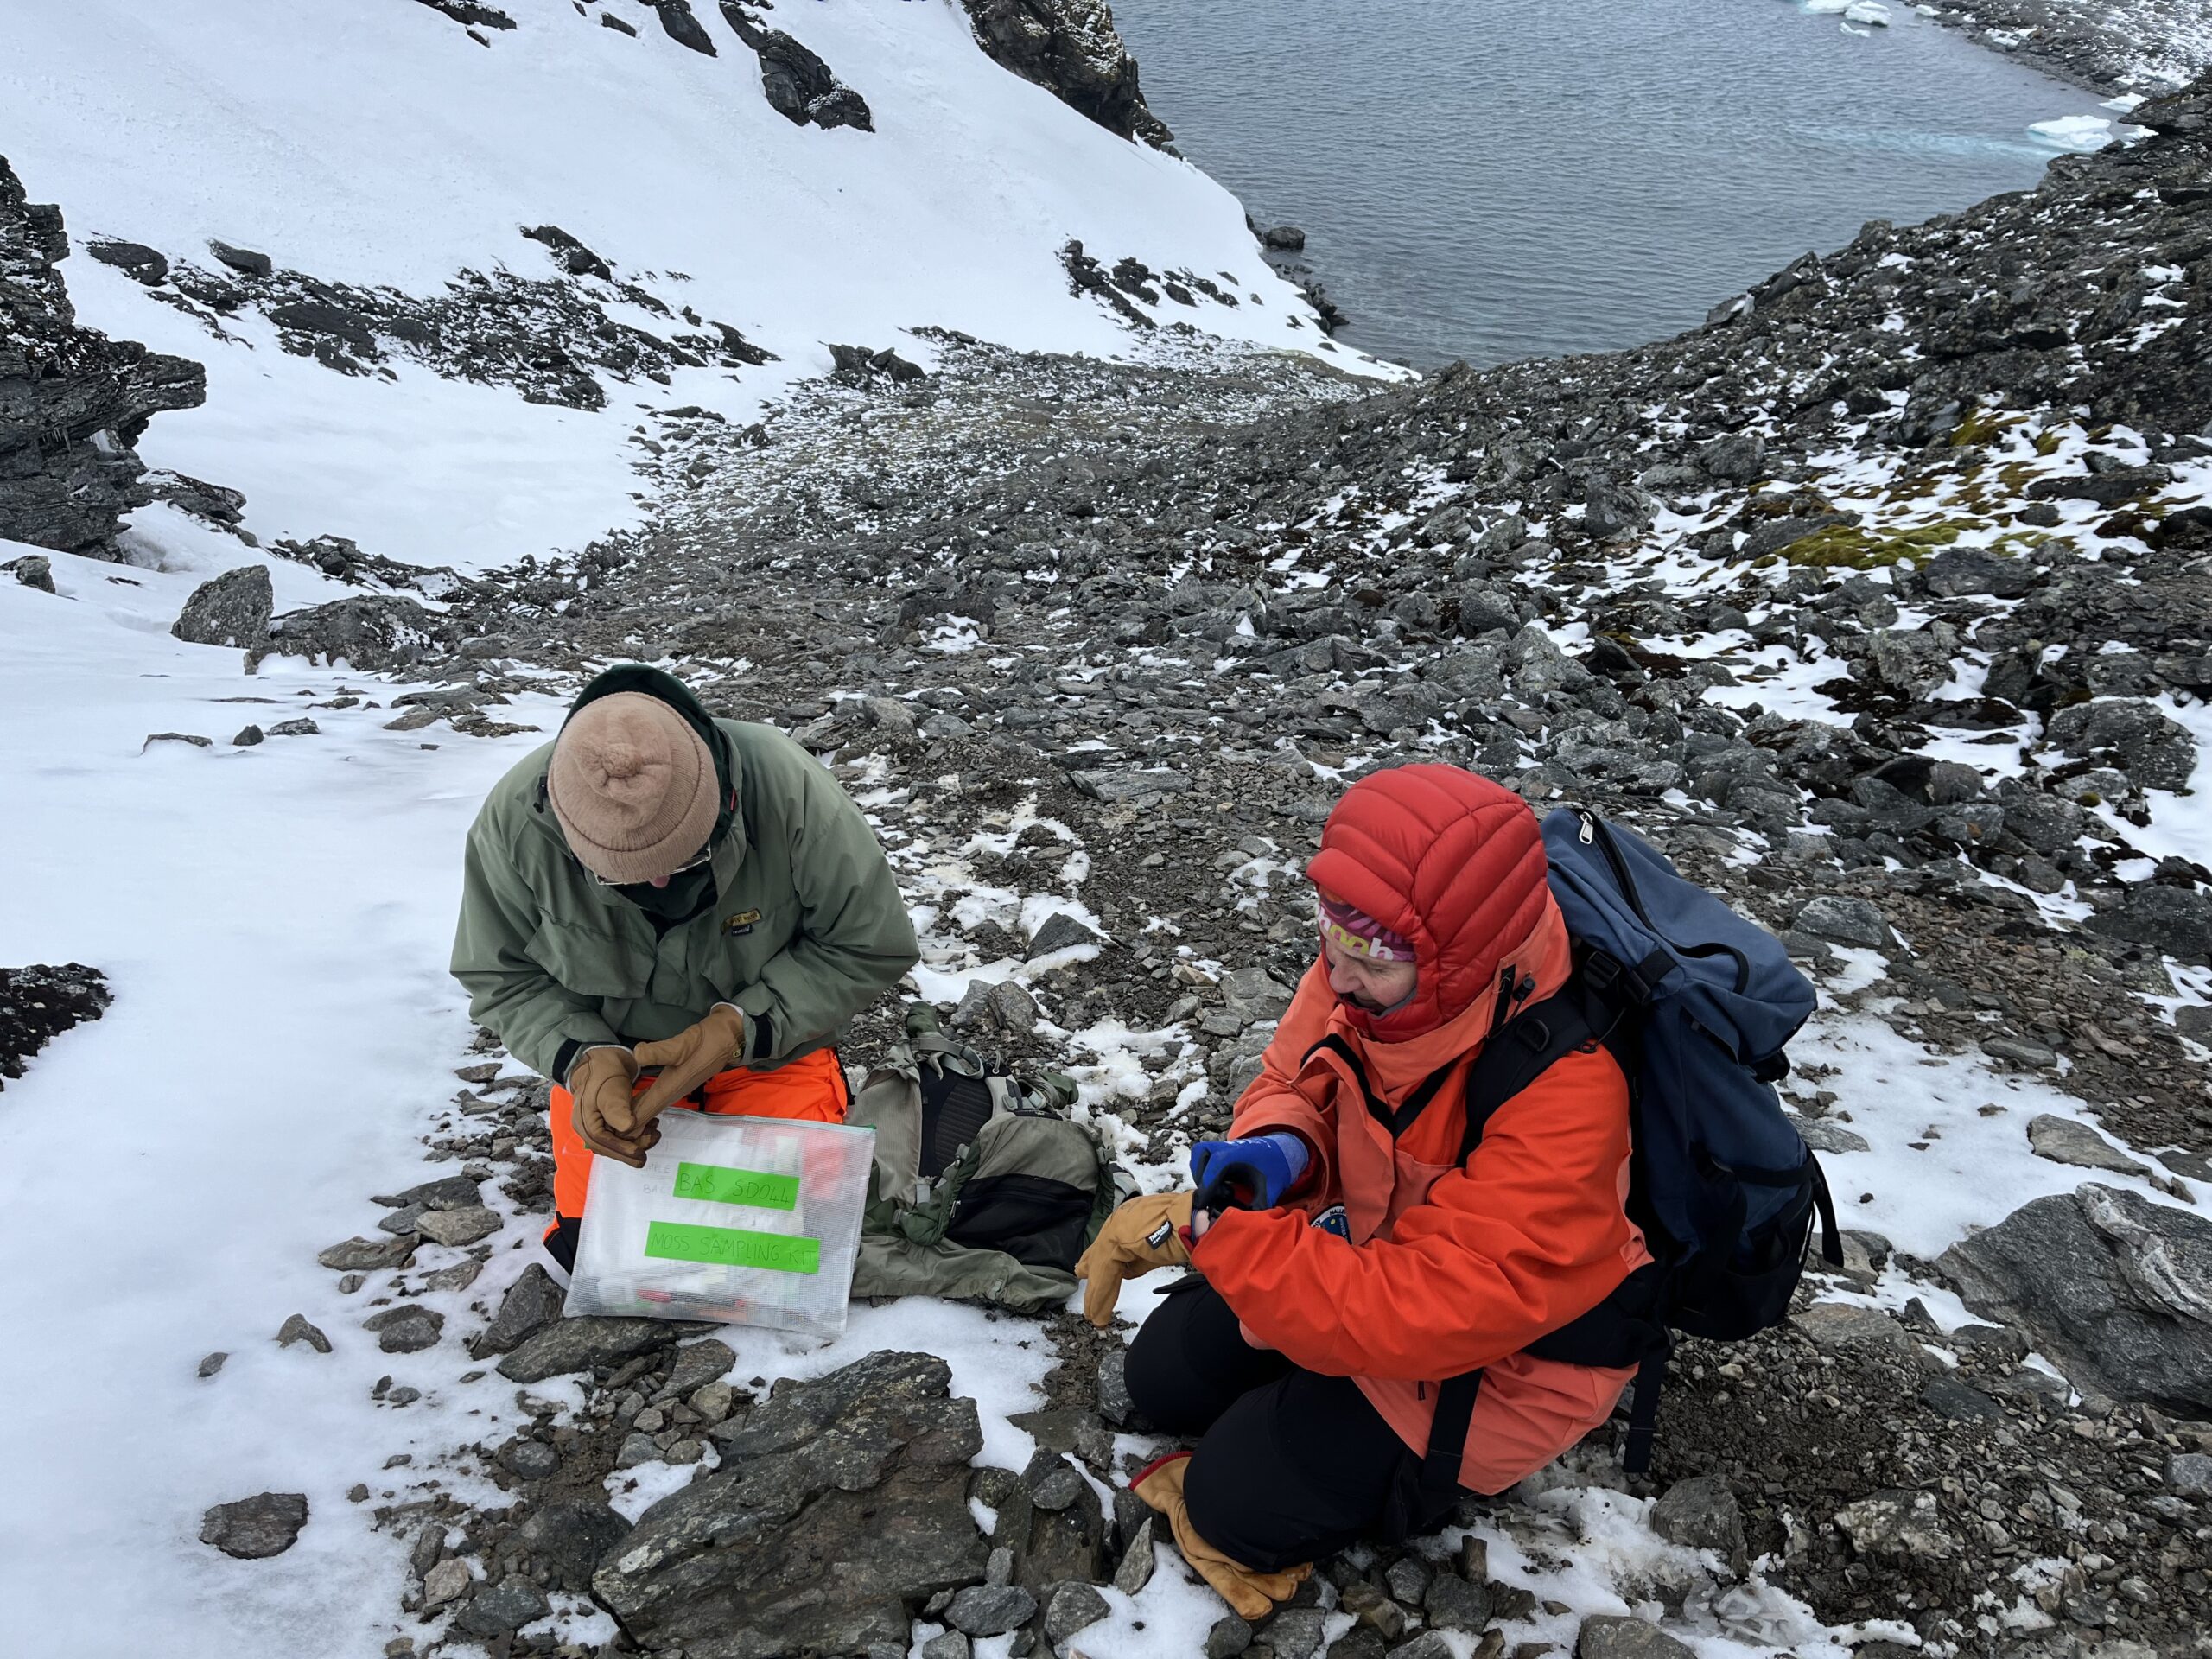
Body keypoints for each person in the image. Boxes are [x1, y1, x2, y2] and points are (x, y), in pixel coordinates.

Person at [1076, 765, 1648, 1618]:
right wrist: (1281, 1149)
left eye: (1367, 961)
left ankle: (1318, 1461)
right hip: (1376, 1252)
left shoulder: (1567, 1092)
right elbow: (1293, 1075)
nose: (1337, 979)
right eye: (1328, 940)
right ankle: (1299, 1412)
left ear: (1457, 965)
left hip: (1504, 1361)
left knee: (1234, 1504)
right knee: (1161, 1378)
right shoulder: (1369, 956)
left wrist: (1234, 1247)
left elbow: (1436, 1305)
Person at [452, 664, 918, 1271]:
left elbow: (870, 943)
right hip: (621, 1062)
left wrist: (739, 1027)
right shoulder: (517, 824)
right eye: (624, 871)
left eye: (685, 856)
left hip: (772, 1049)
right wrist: (584, 1062)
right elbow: (499, 976)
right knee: (603, 1253)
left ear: (721, 795)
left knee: (791, 1237)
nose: (659, 881)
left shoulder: (789, 790)